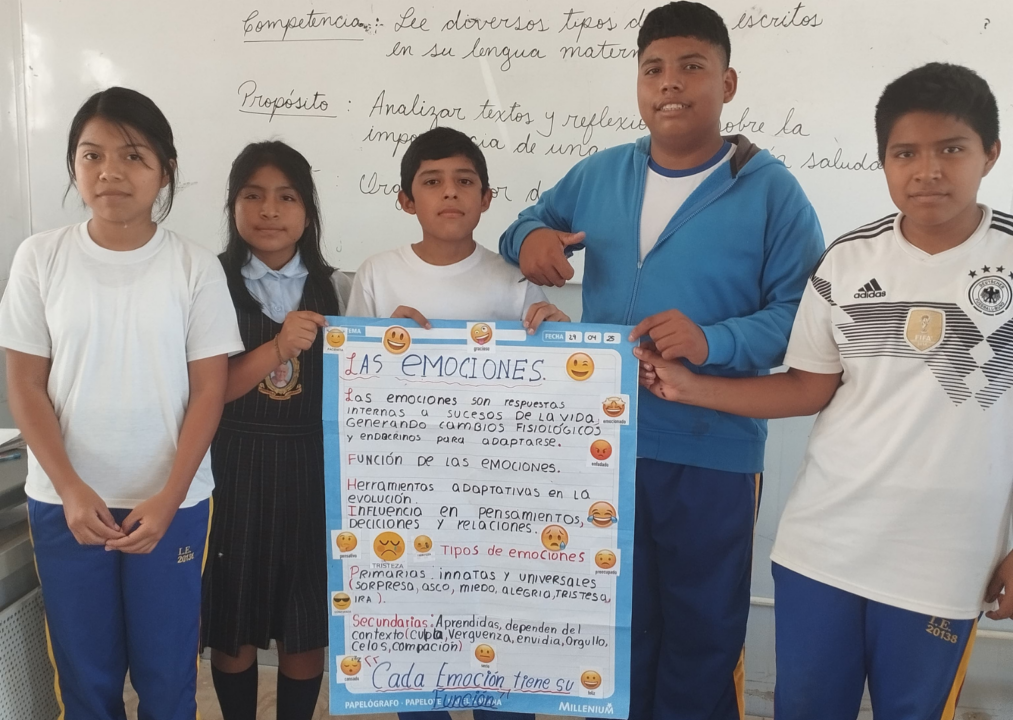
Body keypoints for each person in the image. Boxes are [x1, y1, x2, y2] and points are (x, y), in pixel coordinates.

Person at [635, 62, 1013, 720]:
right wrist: (692, 388)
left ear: (990, 154)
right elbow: (809, 388)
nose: (926, 171)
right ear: (883, 161)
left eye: (950, 149)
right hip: (823, 546)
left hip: (945, 561)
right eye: (905, 153)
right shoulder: (848, 259)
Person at [498, 3, 823, 718]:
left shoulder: (770, 190)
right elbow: (526, 224)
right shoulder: (601, 172)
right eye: (653, 69)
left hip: (710, 451)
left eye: (691, 66)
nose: (669, 83)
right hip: (598, 444)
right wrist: (528, 241)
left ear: (727, 83)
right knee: (612, 626)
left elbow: (802, 318)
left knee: (701, 636)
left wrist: (712, 342)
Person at [0, 87, 243, 719]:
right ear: (74, 166)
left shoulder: (194, 267)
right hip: (66, 503)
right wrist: (70, 488)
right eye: (92, 155)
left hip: (172, 504)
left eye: (133, 155)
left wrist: (169, 495)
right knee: (86, 679)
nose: (110, 171)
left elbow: (209, 389)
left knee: (167, 677)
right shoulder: (40, 257)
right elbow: (25, 385)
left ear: (165, 170)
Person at [346, 126, 567, 720]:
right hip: (407, 494)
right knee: (418, 640)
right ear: (405, 200)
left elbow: (553, 390)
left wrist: (561, 335)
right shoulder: (377, 274)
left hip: (499, 497)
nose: (450, 192)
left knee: (502, 642)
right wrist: (379, 343)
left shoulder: (513, 278)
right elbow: (352, 384)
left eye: (465, 181)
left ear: (487, 198)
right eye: (432, 182)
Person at [202, 141, 351, 720]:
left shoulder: (339, 287)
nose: (269, 210)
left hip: (312, 471)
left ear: (308, 211)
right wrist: (277, 347)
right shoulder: (206, 282)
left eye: (286, 197)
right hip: (232, 468)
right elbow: (205, 392)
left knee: (303, 624)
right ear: (233, 206)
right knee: (232, 620)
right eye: (253, 196)